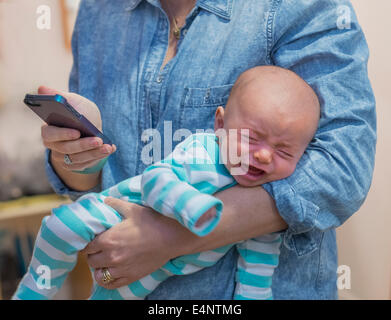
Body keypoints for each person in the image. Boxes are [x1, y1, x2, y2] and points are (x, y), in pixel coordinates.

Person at [40, 0, 376, 299]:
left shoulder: (299, 7)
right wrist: (73, 157)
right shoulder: (99, 12)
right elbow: (95, 183)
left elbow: (342, 170)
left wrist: (173, 235)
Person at [13, 66, 320, 300]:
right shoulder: (203, 150)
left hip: (157, 271)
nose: (265, 156)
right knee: (61, 226)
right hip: (119, 210)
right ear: (220, 124)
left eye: (284, 151)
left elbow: (257, 274)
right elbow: (156, 179)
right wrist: (194, 209)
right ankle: (33, 292)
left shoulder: (267, 205)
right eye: (252, 138)